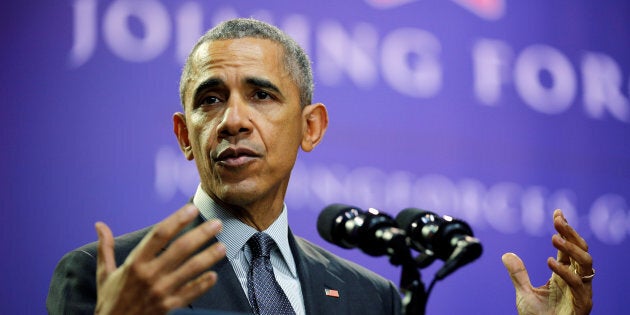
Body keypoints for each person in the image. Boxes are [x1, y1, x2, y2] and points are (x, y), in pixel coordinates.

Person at [46, 18, 593, 315]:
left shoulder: (369, 298)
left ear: (311, 127)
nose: (233, 120)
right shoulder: (104, 276)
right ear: (183, 135)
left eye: (260, 95)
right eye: (210, 100)